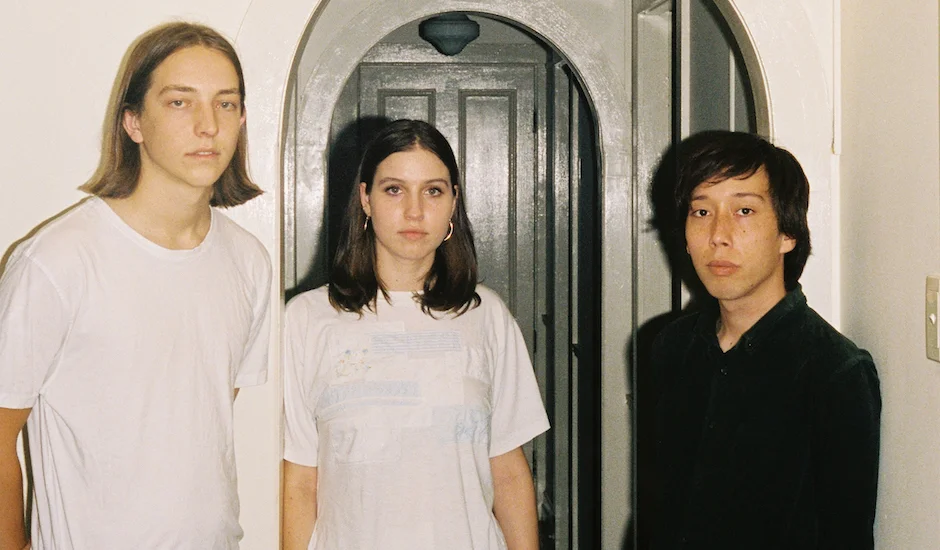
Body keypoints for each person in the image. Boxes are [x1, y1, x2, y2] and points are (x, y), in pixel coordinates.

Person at [0, 22, 271, 549]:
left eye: (226, 104)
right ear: (134, 122)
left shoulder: (249, 262)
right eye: (179, 102)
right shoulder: (58, 261)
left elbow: (196, 427)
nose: (208, 126)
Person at [281, 119, 549, 550]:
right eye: (394, 190)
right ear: (365, 199)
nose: (414, 211)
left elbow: (508, 471)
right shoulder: (307, 320)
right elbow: (298, 480)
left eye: (433, 191)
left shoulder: (486, 315)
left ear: (454, 201)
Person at [648, 130, 881, 549]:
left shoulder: (834, 371)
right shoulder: (672, 347)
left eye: (744, 211)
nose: (718, 234)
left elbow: (846, 536)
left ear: (787, 233)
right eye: (701, 211)